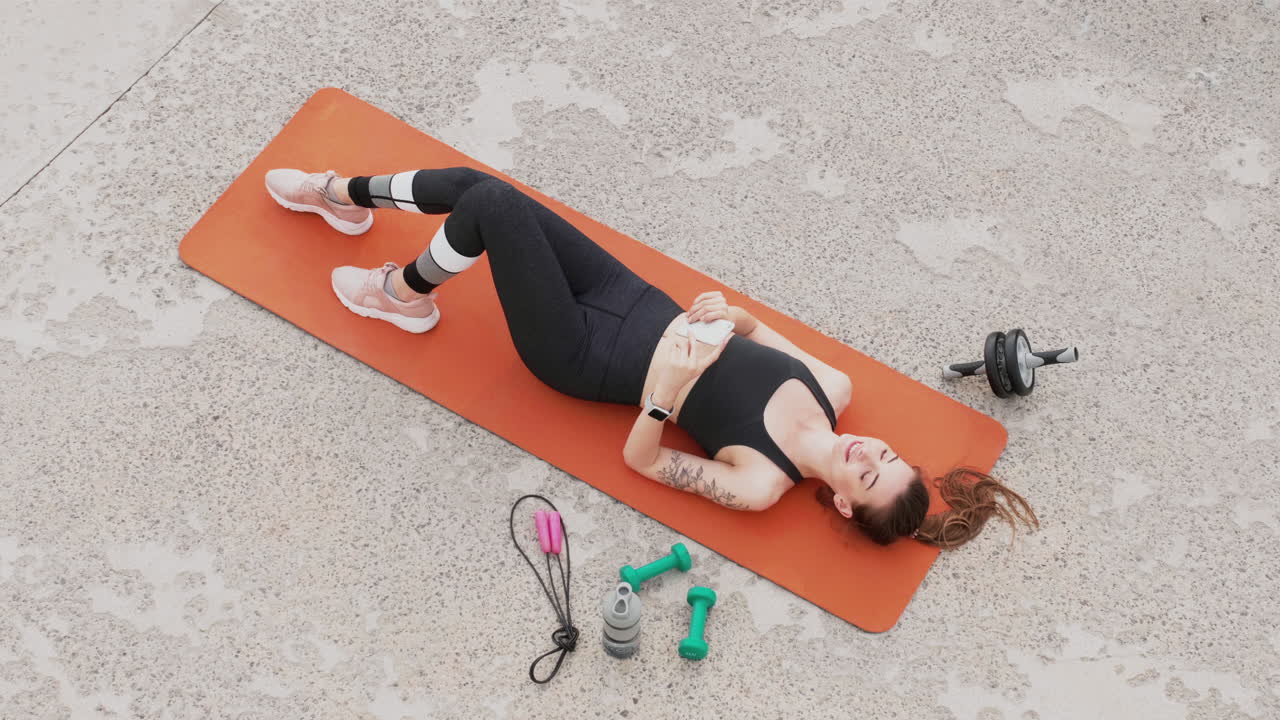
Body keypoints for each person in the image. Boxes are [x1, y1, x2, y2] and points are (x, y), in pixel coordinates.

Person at [264, 166, 1037, 548]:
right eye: (887, 454)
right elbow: (752, 327)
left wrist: (663, 394)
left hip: (584, 355)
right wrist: (729, 314)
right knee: (477, 187)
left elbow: (643, 462)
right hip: (632, 296)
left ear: (842, 502)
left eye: (867, 475)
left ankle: (402, 294)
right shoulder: (832, 387)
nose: (868, 451)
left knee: (492, 208)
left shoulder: (761, 483)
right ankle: (341, 194)